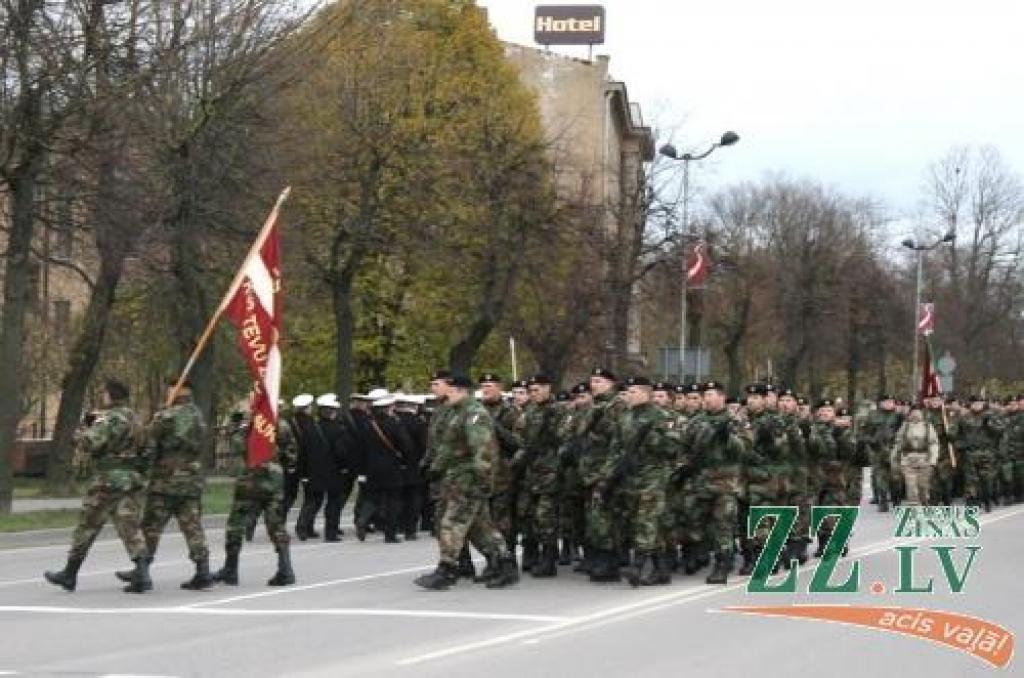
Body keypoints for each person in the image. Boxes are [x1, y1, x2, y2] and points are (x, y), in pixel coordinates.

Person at [45, 379, 151, 594]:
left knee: (87, 525)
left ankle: (69, 573)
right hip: (131, 478)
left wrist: (81, 432)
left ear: (111, 395)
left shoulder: (110, 419)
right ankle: (142, 573)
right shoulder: (136, 420)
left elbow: (91, 443)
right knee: (129, 526)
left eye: (104, 393)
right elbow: (148, 449)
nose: (103, 397)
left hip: (108, 480)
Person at [414, 375, 518, 590]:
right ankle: (505, 564)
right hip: (454, 479)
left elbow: (483, 451)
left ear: (461, 390)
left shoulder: (474, 414)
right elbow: (447, 448)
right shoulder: (456, 413)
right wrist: (434, 468)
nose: (446, 395)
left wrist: (482, 480)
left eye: (449, 391)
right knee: (481, 529)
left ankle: (447, 569)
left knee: (451, 523)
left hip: (469, 479)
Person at [138, 378, 213, 590]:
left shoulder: (166, 416)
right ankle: (203, 570)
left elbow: (146, 438)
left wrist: (159, 415)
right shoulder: (198, 416)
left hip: (166, 481)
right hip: (191, 480)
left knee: (151, 527)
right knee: (193, 527)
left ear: (175, 392)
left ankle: (142, 571)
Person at [213, 410, 296, 587]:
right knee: (276, 524)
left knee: (236, 524)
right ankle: (285, 569)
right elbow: (291, 455)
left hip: (250, 480)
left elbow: (238, 447)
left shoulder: (248, 427)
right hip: (274, 480)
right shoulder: (282, 425)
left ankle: (230, 569)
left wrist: (235, 428)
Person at [617, 377, 678, 587]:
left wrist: (652, 438)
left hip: (654, 477)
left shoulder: (660, 416)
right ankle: (662, 569)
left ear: (645, 393)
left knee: (646, 521)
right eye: (628, 391)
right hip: (632, 476)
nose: (630, 395)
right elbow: (619, 445)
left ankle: (638, 566)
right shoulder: (625, 416)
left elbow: (672, 448)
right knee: (648, 524)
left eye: (633, 391)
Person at [356, 394, 413, 543]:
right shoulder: (395, 424)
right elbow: (406, 445)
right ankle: (390, 534)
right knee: (393, 500)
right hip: (392, 467)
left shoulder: (367, 424)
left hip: (371, 467)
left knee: (372, 497)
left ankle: (362, 520)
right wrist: (405, 461)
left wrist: (362, 469)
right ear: (389, 407)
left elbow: (360, 448)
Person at [294, 394, 349, 542]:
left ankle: (302, 526)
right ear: (332, 411)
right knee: (333, 503)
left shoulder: (311, 428)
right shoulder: (338, 430)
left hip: (314, 471)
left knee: (312, 501)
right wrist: (344, 467)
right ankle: (330, 533)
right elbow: (341, 453)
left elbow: (303, 452)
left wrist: (303, 472)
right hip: (333, 472)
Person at [891, 404, 939, 506]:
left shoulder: (927, 426)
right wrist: (894, 457)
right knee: (911, 486)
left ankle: (925, 504)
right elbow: (898, 442)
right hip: (908, 459)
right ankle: (914, 509)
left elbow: (934, 443)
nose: (916, 414)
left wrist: (933, 460)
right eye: (914, 412)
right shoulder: (905, 426)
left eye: (918, 412)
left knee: (923, 486)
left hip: (924, 459)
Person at [394, 395, 428, 540]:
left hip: (397, 464)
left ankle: (399, 525)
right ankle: (410, 529)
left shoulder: (396, 421)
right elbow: (424, 445)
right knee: (414, 497)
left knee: (399, 496)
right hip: (414, 464)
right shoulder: (418, 423)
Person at [282, 394, 313, 521]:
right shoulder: (310, 423)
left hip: (291, 463)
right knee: (311, 497)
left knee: (289, 494)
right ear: (306, 408)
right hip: (306, 464)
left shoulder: (289, 422)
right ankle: (305, 524)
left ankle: (280, 519)